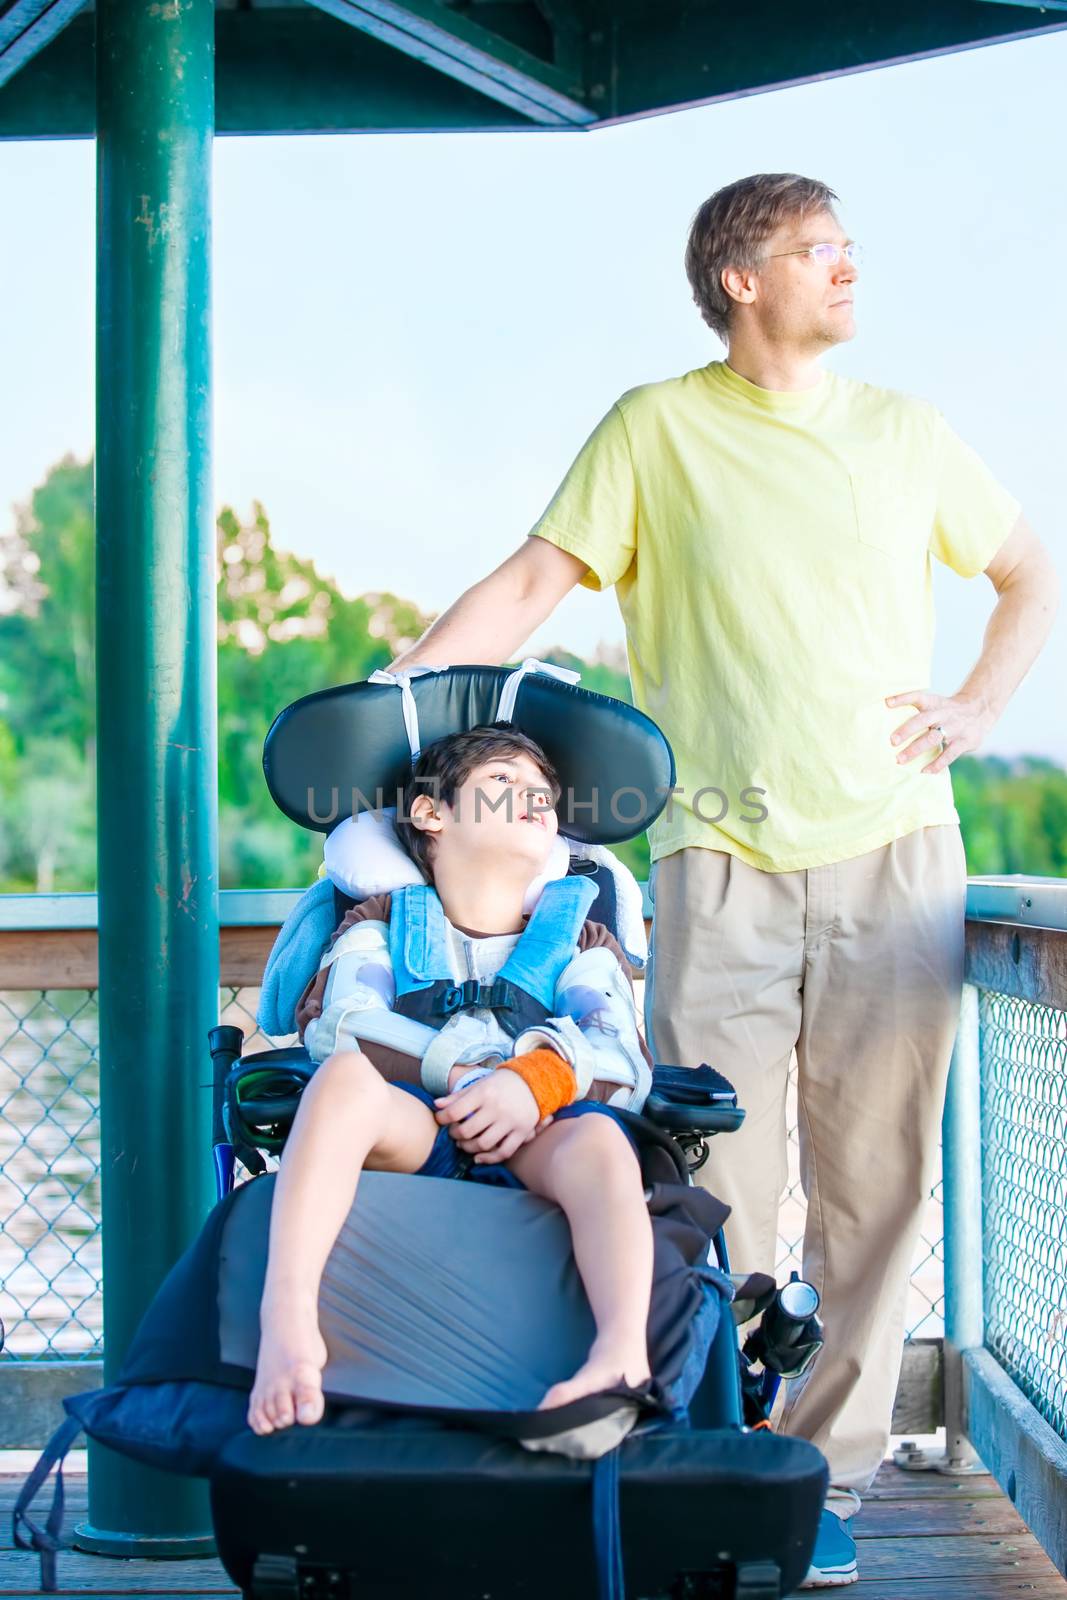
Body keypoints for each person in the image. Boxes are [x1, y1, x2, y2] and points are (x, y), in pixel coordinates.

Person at [385, 174, 1059, 1585]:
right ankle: (732, 1451)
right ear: (740, 277)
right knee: (717, 1187)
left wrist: (976, 705)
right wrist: (399, 689)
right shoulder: (654, 428)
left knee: (875, 1194)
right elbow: (528, 583)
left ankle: (828, 1478)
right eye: (823, 251)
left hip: (894, 852)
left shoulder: (904, 432)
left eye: (850, 249)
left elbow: (1025, 570)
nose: (850, 270)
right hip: (716, 858)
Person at [248, 723, 654, 1437]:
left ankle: (619, 1359)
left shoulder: (578, 939)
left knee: (598, 1139)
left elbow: (621, 1055)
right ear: (431, 814)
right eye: (502, 784)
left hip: (539, 1139)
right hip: (419, 1125)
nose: (531, 799)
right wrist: (459, 1071)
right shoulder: (379, 927)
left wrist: (532, 1082)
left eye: (542, 794)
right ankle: (288, 1325)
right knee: (342, 1077)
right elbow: (342, 1024)